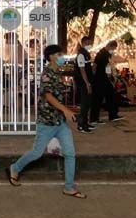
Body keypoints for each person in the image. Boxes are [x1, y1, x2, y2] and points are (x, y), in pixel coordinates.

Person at [5, 44, 86, 199]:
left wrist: (65, 112)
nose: (62, 57)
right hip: (47, 121)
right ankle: (14, 168)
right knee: (36, 153)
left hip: (60, 122)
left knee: (70, 153)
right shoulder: (46, 73)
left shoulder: (58, 72)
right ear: (51, 57)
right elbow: (48, 96)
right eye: (59, 54)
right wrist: (66, 110)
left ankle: (69, 187)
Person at [91, 40, 123, 123]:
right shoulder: (101, 54)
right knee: (98, 99)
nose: (113, 50)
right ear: (110, 46)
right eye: (113, 48)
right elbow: (95, 66)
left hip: (105, 79)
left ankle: (113, 115)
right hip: (100, 79)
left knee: (111, 96)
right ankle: (94, 118)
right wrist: (94, 77)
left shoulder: (107, 54)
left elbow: (107, 66)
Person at [73, 36, 95, 133]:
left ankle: (85, 122)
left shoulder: (86, 54)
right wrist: (87, 83)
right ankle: (81, 125)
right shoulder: (81, 55)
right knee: (84, 104)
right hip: (83, 83)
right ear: (83, 43)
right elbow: (82, 70)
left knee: (88, 103)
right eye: (87, 43)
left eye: (90, 43)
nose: (89, 45)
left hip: (88, 81)